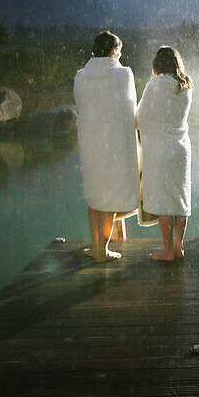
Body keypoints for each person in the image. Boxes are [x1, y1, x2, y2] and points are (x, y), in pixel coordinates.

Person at [73, 31, 138, 262]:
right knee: (109, 198)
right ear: (113, 52)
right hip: (113, 144)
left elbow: (81, 105)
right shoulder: (124, 74)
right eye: (119, 52)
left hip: (91, 144)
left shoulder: (80, 75)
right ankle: (104, 251)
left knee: (94, 196)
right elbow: (129, 110)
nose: (120, 57)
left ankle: (96, 246)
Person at [137, 46, 193, 261]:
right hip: (181, 149)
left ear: (157, 63)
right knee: (180, 199)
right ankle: (179, 246)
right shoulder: (186, 86)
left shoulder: (155, 85)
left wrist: (147, 131)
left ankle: (167, 250)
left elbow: (141, 117)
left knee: (164, 200)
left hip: (160, 151)